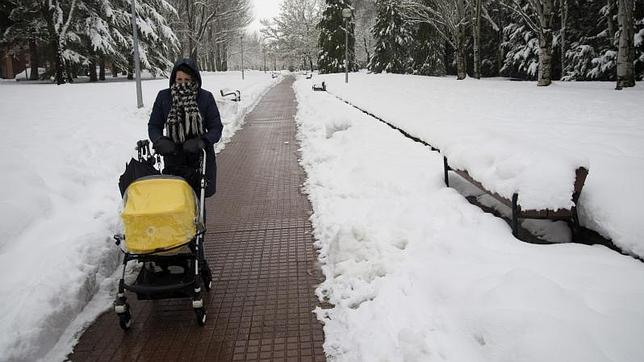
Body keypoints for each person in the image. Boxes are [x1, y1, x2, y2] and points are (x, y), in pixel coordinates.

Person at [148, 58, 223, 198]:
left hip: (199, 159)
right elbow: (154, 125)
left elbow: (216, 128)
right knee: (174, 201)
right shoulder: (164, 97)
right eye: (179, 79)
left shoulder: (205, 97)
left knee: (197, 202)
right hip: (173, 157)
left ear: (194, 79)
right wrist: (159, 140)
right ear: (173, 79)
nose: (183, 83)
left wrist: (203, 141)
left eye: (187, 79)